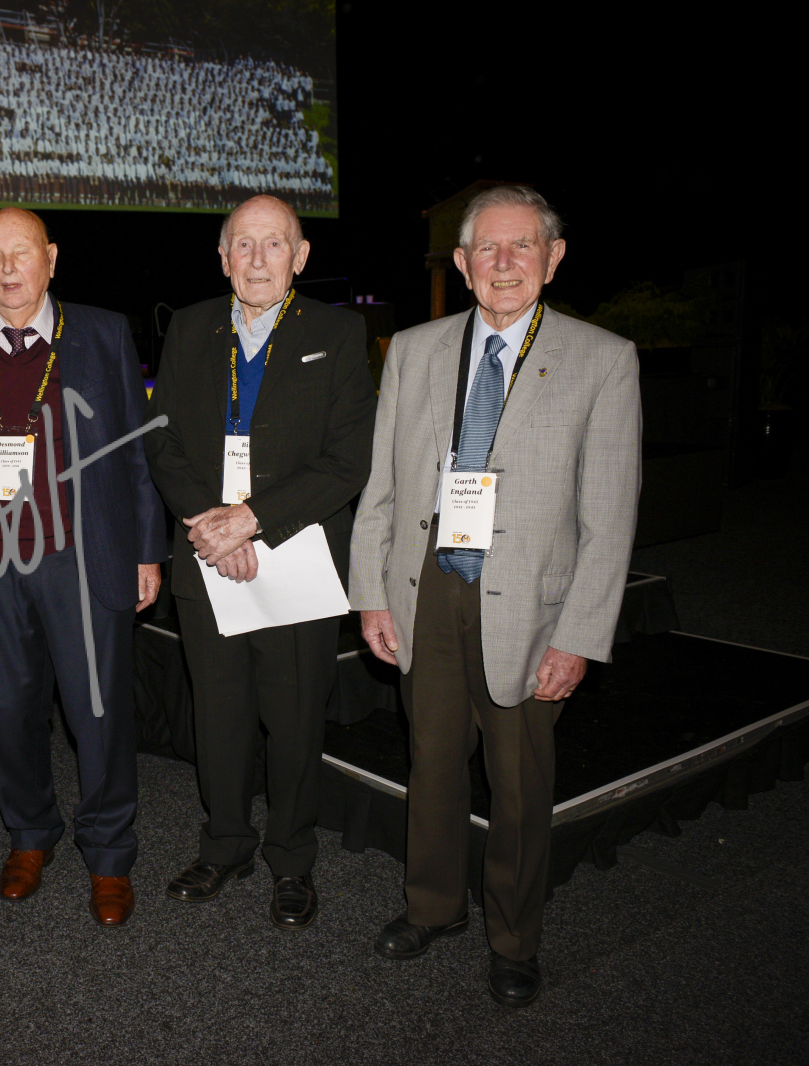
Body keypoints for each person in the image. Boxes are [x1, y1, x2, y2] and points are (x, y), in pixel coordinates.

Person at [348, 185, 641, 1007]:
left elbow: (610, 516)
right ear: (462, 262)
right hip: (428, 587)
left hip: (533, 607)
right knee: (433, 761)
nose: (504, 263)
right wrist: (371, 593)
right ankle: (432, 906)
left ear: (553, 258)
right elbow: (381, 487)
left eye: (523, 246)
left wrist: (578, 636)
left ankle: (514, 940)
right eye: (487, 248)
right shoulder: (413, 350)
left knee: (519, 784)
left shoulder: (602, 358)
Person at [0, 208, 165, 926]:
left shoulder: (102, 332)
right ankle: (30, 835)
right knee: (7, 711)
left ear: (51, 259)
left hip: (83, 559)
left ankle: (109, 853)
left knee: (98, 715)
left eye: (21, 253)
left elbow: (135, 448)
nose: (8, 269)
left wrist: (147, 549)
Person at [144, 194, 377, 929]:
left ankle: (292, 859)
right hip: (206, 556)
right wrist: (213, 526)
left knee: (295, 719)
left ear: (300, 257)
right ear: (223, 258)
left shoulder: (338, 332)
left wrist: (251, 520)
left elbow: (350, 459)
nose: (256, 259)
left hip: (297, 557)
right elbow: (161, 439)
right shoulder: (190, 327)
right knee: (218, 716)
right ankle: (225, 845)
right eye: (242, 245)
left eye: (274, 244)